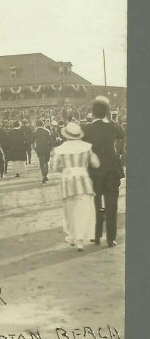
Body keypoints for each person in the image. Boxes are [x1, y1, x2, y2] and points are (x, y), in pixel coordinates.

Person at [83, 96, 125, 248]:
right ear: (106, 113)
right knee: (112, 204)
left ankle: (96, 235)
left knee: (95, 204)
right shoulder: (113, 127)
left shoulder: (86, 128)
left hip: (94, 171)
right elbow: (122, 136)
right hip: (112, 169)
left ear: (92, 114)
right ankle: (111, 238)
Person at [51, 121, 100, 251]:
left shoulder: (60, 149)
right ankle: (80, 240)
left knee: (69, 211)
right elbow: (95, 164)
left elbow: (55, 167)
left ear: (66, 135)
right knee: (82, 210)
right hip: (83, 182)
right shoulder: (87, 147)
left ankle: (72, 236)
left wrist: (66, 169)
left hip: (67, 182)